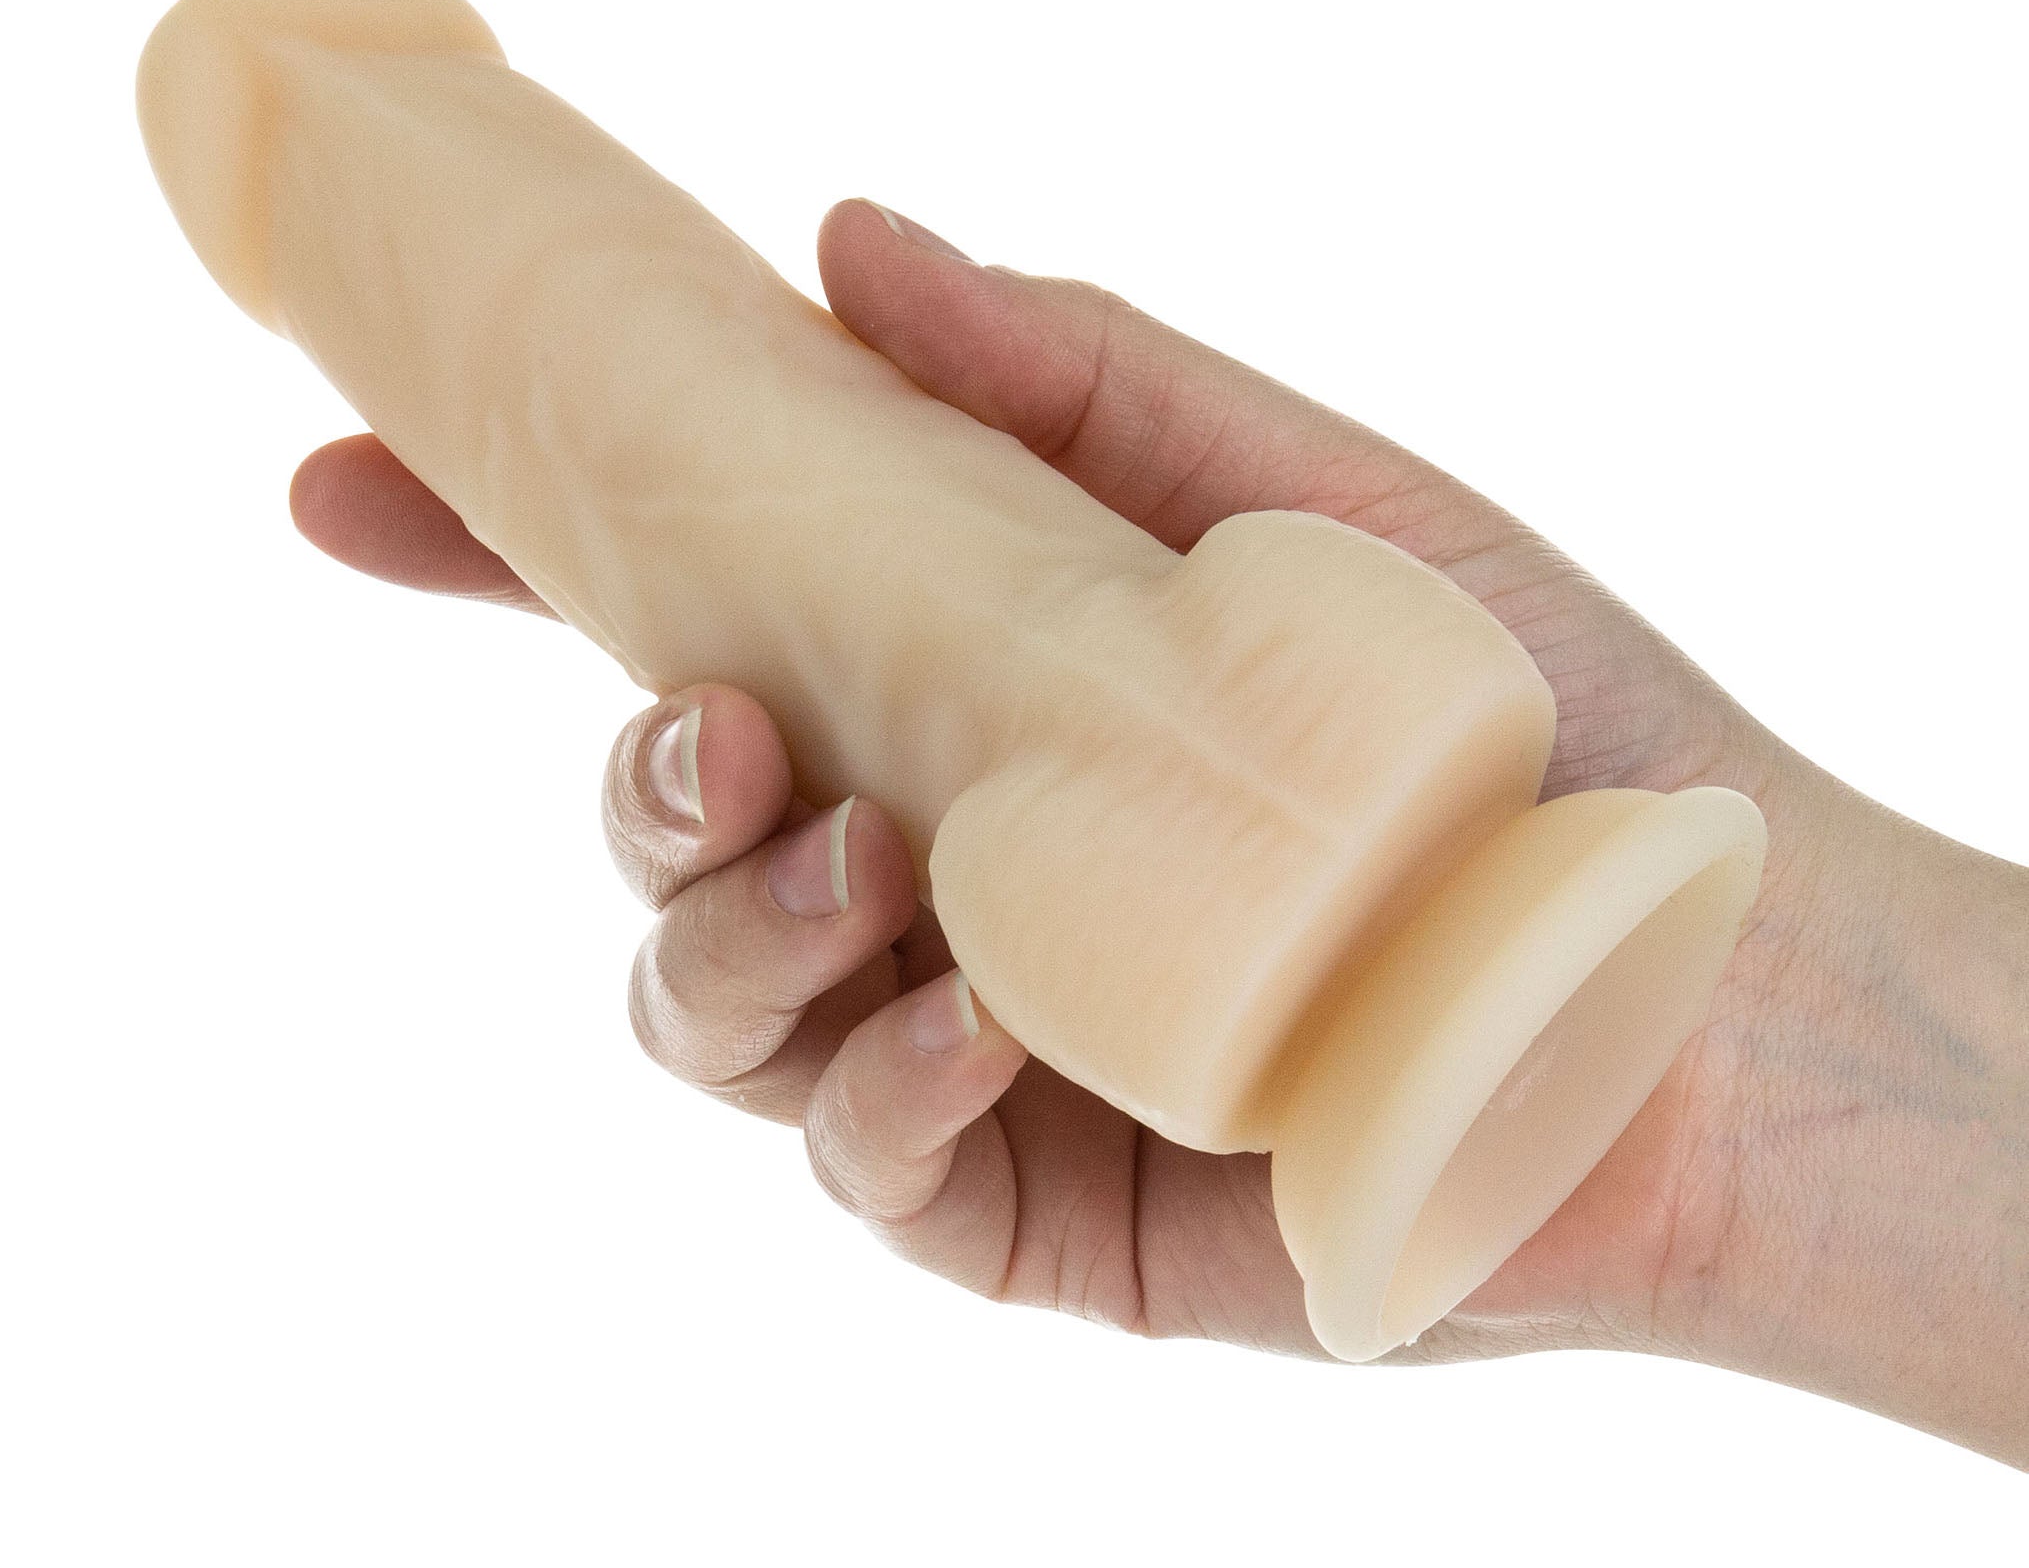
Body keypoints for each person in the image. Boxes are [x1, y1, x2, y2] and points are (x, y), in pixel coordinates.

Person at [287, 197, 2029, 1468]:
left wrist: (1711, 1124)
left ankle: (314, 186)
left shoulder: (1393, 780)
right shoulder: (1436, 741)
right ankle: (318, 177)